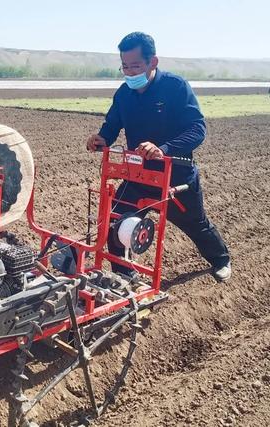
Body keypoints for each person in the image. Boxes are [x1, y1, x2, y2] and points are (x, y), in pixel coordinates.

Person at [85, 31, 231, 282]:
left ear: (153, 62)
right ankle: (125, 276)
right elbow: (111, 125)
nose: (130, 72)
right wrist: (101, 139)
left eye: (136, 66)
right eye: (125, 67)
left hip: (175, 177)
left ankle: (221, 259)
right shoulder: (123, 94)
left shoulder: (175, 87)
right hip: (139, 175)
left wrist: (164, 148)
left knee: (195, 224)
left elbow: (197, 129)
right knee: (116, 223)